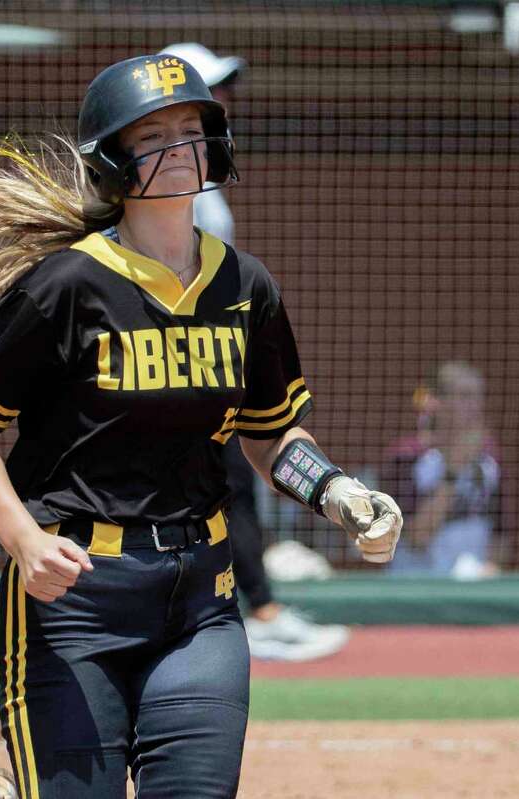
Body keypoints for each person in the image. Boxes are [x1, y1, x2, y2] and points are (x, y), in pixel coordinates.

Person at [0, 53, 403, 797]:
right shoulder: (65, 286)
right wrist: (22, 540)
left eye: (194, 129)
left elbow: (270, 432)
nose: (183, 146)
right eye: (155, 136)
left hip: (200, 600)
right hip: (73, 600)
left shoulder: (245, 285)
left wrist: (338, 492)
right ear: (113, 162)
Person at [163, 41, 350, 661]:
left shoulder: (210, 197)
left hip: (211, 370)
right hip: (167, 371)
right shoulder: (149, 197)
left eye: (220, 96)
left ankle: (257, 608)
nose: (223, 106)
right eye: (205, 96)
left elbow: (277, 440)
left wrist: (332, 490)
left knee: (237, 481)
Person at [383, 362, 499, 577]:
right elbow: (416, 537)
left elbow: (501, 531)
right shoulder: (406, 456)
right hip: (417, 586)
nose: (474, 406)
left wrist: (492, 565)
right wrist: (454, 470)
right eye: (464, 396)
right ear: (438, 402)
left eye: (478, 397)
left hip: (473, 589)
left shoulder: (489, 461)